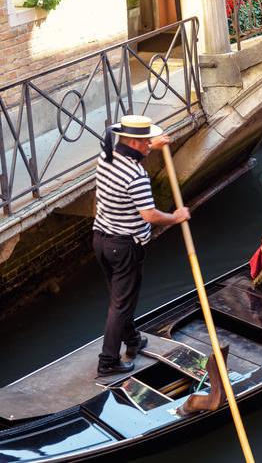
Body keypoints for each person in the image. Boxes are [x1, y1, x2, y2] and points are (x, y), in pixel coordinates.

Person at [94, 115, 190, 377]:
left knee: (119, 298)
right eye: (146, 141)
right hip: (124, 246)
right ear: (135, 142)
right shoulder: (136, 176)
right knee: (121, 303)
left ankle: (133, 340)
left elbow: (131, 157)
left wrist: (151, 145)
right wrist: (176, 217)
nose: (150, 144)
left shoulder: (107, 156)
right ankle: (108, 361)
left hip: (101, 240)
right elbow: (149, 215)